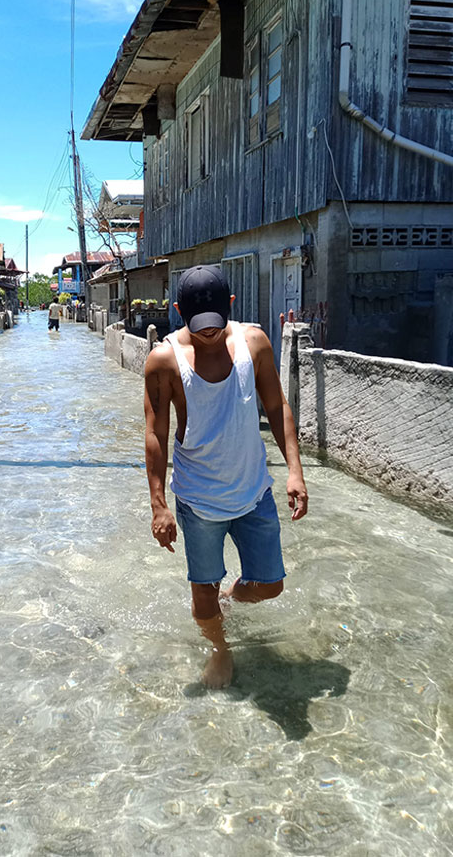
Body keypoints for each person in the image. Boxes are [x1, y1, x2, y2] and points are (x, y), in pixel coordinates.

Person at [144, 264, 308, 689]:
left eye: (215, 325)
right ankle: (220, 649)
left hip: (254, 492)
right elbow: (156, 434)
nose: (208, 334)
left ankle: (230, 599)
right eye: (198, 328)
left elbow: (277, 408)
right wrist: (160, 505)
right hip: (199, 502)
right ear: (178, 311)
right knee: (203, 591)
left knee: (271, 585)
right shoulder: (163, 360)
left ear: (231, 307)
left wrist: (295, 471)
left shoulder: (254, 343)